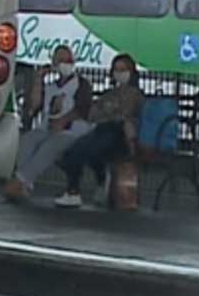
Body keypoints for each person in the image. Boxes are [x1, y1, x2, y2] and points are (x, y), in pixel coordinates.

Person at [3, 45, 93, 200]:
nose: (66, 63)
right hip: (46, 128)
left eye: (68, 59)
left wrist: (63, 121)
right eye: (61, 60)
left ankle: (20, 180)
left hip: (71, 131)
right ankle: (26, 184)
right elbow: (35, 106)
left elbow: (83, 108)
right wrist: (39, 80)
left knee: (50, 147)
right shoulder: (51, 87)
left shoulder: (82, 84)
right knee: (27, 142)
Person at [55, 53, 144, 209]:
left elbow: (123, 114)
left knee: (88, 150)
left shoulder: (135, 94)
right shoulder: (110, 93)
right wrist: (106, 112)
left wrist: (106, 112)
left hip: (119, 134)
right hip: (102, 129)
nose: (119, 73)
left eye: (123, 70)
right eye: (117, 69)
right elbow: (93, 112)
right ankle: (77, 188)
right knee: (77, 149)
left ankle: (76, 189)